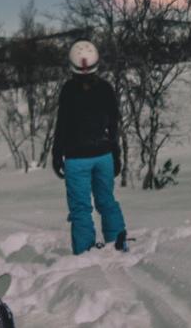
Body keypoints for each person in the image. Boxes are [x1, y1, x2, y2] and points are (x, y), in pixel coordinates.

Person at [51, 40, 129, 255]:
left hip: (77, 159)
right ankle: (117, 243)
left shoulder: (68, 90)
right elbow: (113, 126)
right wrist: (116, 155)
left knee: (81, 209)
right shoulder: (105, 88)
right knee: (107, 201)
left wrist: (57, 155)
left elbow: (62, 125)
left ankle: (85, 252)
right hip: (103, 155)